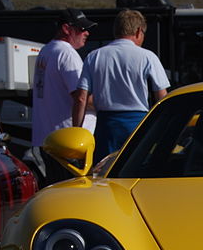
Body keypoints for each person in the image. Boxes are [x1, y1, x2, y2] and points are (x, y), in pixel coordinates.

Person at [73, 9, 170, 164]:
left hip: (106, 127)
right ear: (138, 31)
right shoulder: (148, 57)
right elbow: (162, 98)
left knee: (103, 175)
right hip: (137, 126)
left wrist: (76, 134)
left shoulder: (94, 56)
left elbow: (81, 98)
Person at [30, 8, 97, 185]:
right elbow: (81, 96)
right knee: (75, 192)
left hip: (48, 139)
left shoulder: (46, 50)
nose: (86, 33)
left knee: (56, 190)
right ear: (67, 29)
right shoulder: (67, 53)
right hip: (68, 143)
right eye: (81, 29)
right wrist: (109, 103)